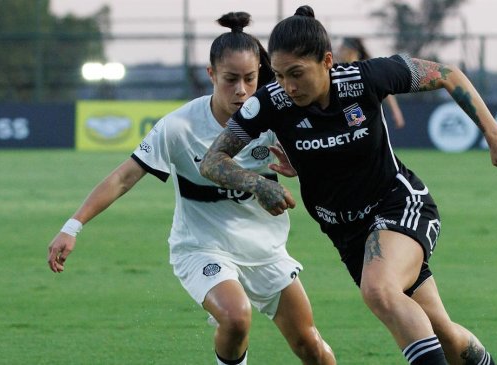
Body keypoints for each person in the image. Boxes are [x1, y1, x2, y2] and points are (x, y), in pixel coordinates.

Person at [200, 5, 497, 365]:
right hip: (348, 234)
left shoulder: (366, 78)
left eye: (297, 73)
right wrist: (258, 185)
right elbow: (213, 161)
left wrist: (494, 135)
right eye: (277, 75)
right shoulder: (269, 102)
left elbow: (448, 74)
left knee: (379, 289)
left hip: (398, 205)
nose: (288, 86)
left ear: (327, 61)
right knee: (441, 331)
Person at [46, 11, 335, 365]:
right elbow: (124, 177)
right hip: (202, 249)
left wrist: (300, 167)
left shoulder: (275, 119)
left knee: (312, 347)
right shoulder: (179, 127)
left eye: (249, 78)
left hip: (265, 250)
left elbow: (323, 163)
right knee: (235, 315)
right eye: (230, 79)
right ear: (211, 74)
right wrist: (71, 226)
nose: (241, 90)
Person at [336, 37, 407, 129]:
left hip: (367, 120)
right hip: (349, 120)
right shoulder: (339, 71)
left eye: (342, 49)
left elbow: (385, 88)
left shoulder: (367, 70)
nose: (339, 52)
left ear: (351, 51)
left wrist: (396, 112)